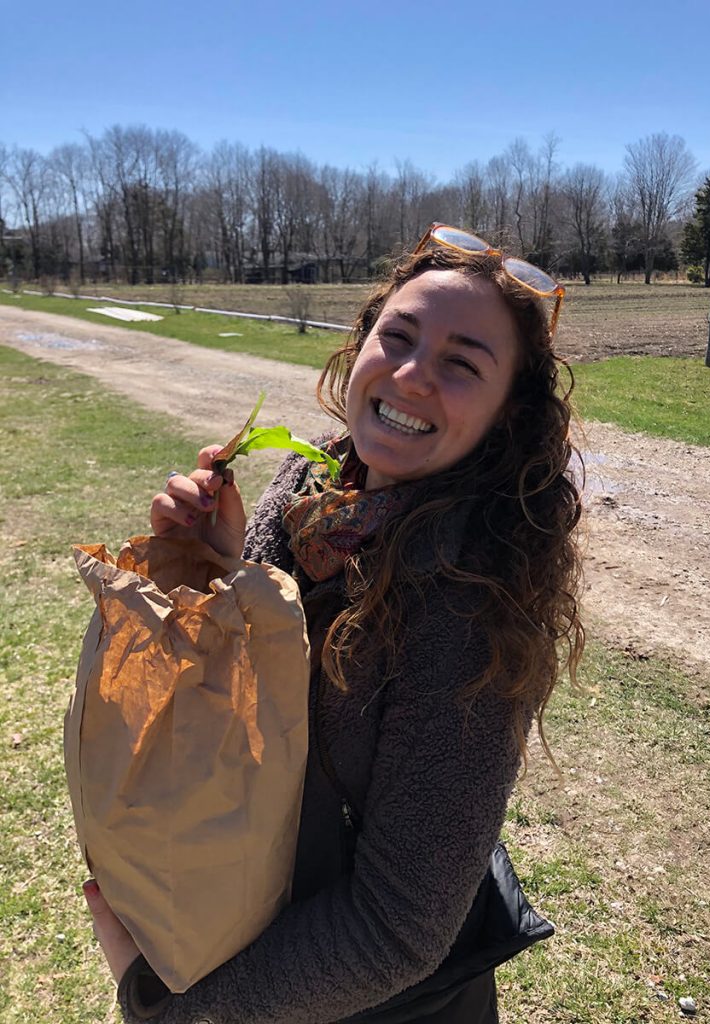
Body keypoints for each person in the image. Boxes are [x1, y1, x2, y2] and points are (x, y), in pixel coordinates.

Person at [82, 224, 584, 1024]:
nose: (414, 373)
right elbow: (247, 691)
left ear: (507, 415)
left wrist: (177, 1012)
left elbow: (396, 929)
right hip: (244, 914)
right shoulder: (308, 484)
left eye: (462, 363)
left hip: (365, 996)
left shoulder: (471, 602)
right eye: (401, 335)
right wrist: (214, 565)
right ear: (362, 343)